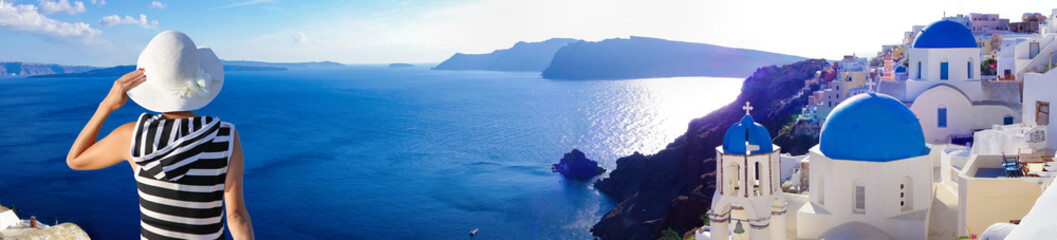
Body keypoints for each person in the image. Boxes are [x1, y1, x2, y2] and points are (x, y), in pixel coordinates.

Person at [65, 31, 254, 240]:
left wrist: (107, 105)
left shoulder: (133, 136)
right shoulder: (226, 136)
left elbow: (75, 160)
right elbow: (236, 217)